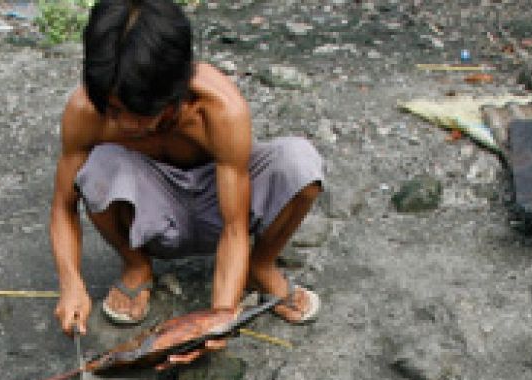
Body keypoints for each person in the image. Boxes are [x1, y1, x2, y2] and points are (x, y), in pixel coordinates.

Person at [49, 0, 325, 337]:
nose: (123, 124)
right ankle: (137, 266)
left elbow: (235, 228)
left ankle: (259, 266)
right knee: (97, 169)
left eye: (137, 113)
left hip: (219, 210)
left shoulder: (221, 109)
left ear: (173, 92)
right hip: (152, 213)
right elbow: (64, 207)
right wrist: (71, 282)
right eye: (113, 110)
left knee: (299, 162)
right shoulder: (86, 111)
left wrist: (220, 317)